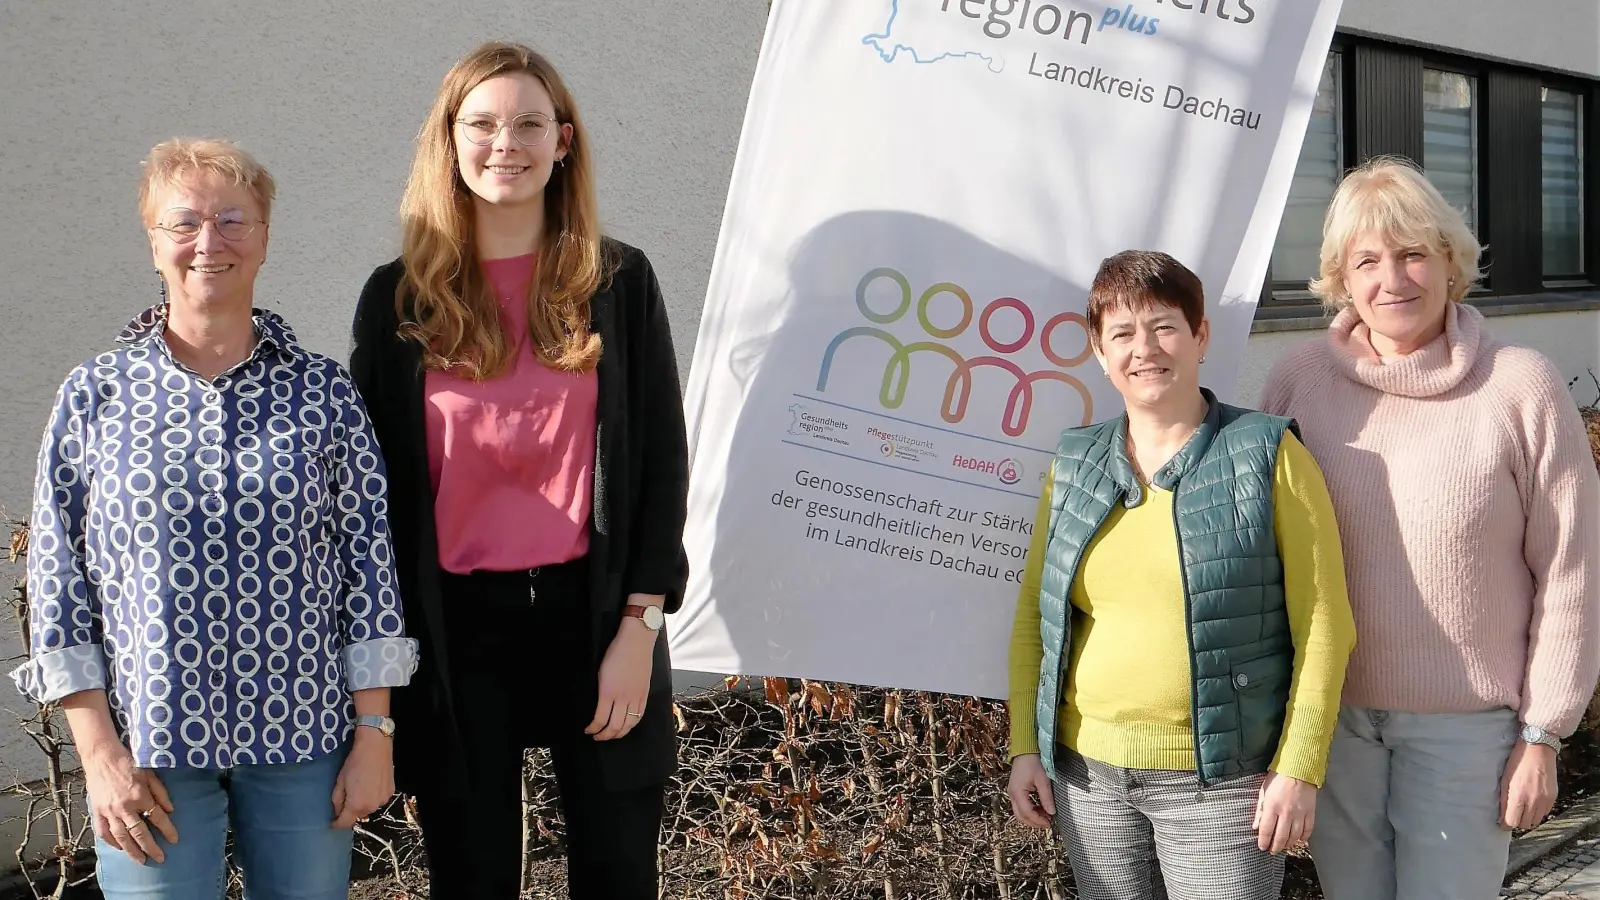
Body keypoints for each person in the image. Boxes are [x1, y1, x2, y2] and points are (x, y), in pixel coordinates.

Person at [12, 138, 417, 900]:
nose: (209, 241)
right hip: (147, 747)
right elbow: (59, 578)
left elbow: (370, 567)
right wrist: (97, 753)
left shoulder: (324, 394)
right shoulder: (94, 395)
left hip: (304, 739)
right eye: (184, 222)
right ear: (153, 241)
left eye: (234, 219)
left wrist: (375, 734)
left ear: (265, 238)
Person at [348, 41, 689, 899]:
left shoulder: (617, 280)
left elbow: (659, 464)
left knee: (617, 877)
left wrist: (638, 629)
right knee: (471, 879)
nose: (507, 143)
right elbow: (374, 495)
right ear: (450, 143)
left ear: (563, 141)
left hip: (597, 616)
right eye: (484, 124)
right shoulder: (399, 300)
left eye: (530, 123)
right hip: (458, 636)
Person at [1261, 157, 1600, 900]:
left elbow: (1572, 569)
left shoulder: (1521, 384)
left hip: (1467, 735)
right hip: (1333, 726)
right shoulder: (1298, 382)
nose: (1395, 279)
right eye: (1368, 261)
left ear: (1451, 262)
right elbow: (1265, 554)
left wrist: (1544, 733)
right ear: (1340, 278)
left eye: (1414, 253)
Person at [1006, 250, 1356, 900]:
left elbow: (1326, 627)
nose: (1145, 348)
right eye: (1123, 332)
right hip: (1090, 780)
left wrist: (1299, 768)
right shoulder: (1074, 463)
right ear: (1099, 350)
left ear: (1199, 335)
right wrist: (1026, 745)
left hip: (1221, 785)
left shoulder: (1268, 455)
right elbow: (1036, 615)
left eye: (1164, 326)